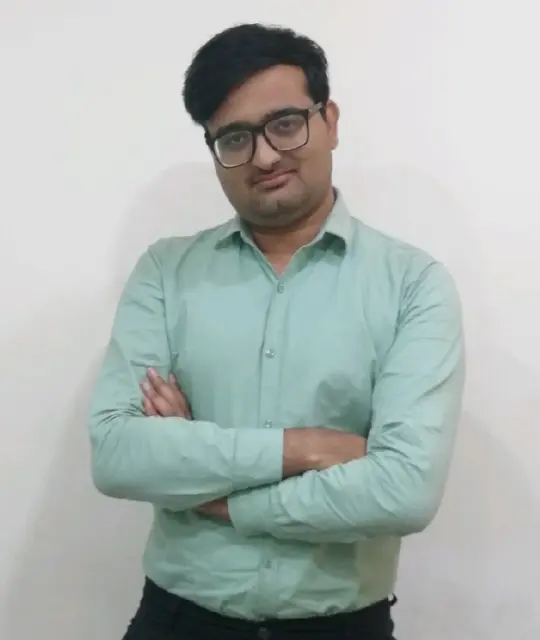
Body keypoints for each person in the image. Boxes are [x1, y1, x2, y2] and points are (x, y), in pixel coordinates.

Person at [88, 22, 465, 640]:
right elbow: (116, 455)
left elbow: (405, 489)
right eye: (234, 137)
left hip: (342, 628)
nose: (263, 156)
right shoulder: (165, 272)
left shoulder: (413, 285)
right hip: (177, 621)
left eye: (285, 124)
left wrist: (216, 492)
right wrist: (306, 447)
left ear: (329, 121)